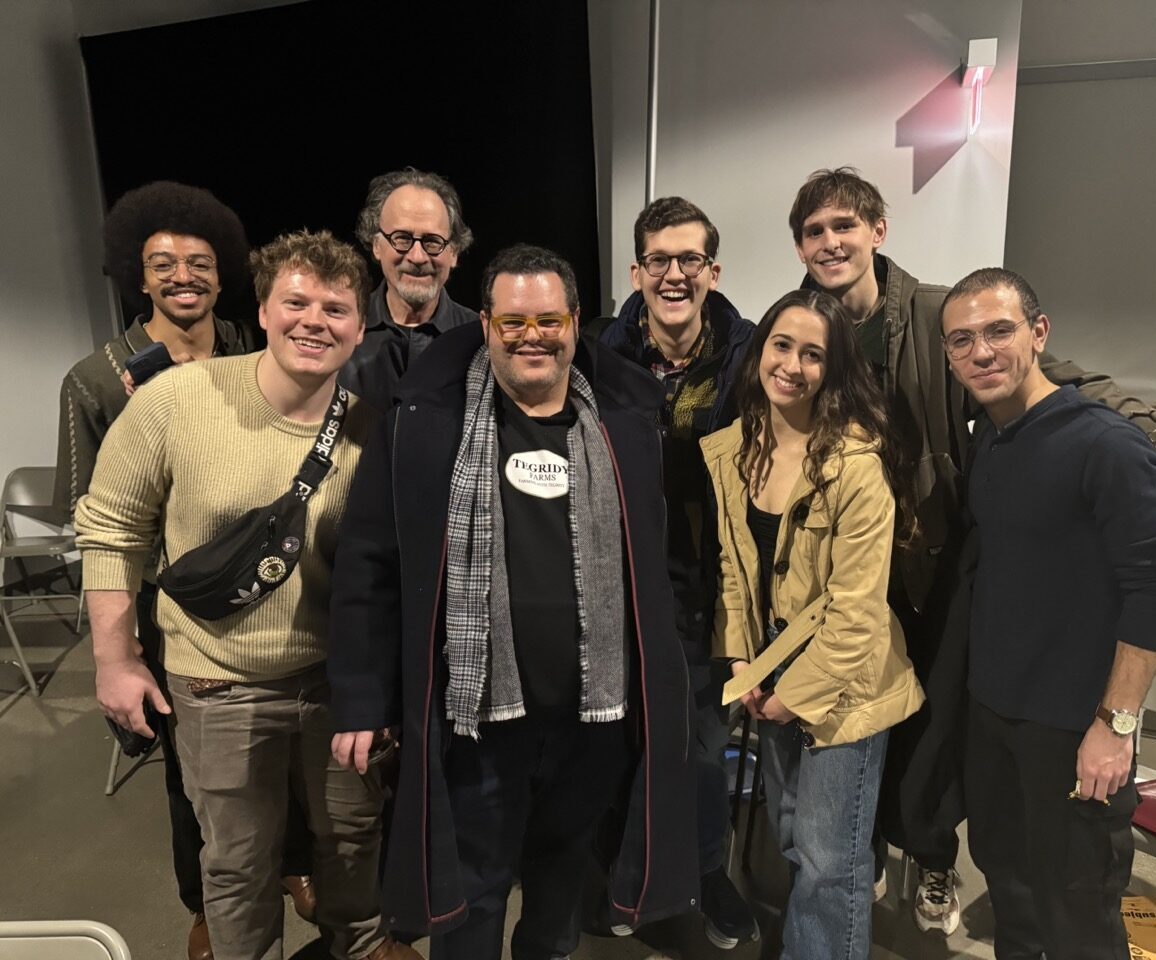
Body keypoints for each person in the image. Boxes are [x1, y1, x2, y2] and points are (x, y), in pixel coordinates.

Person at [789, 165, 1156, 934]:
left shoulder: (932, 312)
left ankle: (929, 860)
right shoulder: (804, 322)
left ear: (876, 232)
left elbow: (1064, 381)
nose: (831, 242)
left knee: (939, 735)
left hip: (936, 564)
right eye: (815, 231)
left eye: (844, 226)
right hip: (860, 569)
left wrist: (1131, 434)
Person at [327, 244, 697, 960]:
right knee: (474, 892)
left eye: (550, 319)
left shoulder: (626, 425)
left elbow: (665, 559)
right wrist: (361, 697)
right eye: (514, 320)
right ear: (487, 323)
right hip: (478, 727)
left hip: (592, 720)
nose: (533, 335)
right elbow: (368, 564)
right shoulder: (423, 424)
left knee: (561, 886)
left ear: (576, 322)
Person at [75, 229, 417, 960]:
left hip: (335, 687)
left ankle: (360, 948)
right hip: (215, 684)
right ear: (262, 310)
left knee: (353, 844)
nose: (313, 321)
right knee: (237, 861)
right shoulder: (176, 400)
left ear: (361, 325)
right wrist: (115, 658)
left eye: (335, 308)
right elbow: (109, 525)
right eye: (295, 301)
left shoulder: (371, 423)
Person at [54, 180, 316, 960]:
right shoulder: (99, 378)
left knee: (295, 731)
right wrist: (118, 646)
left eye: (199, 263)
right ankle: (204, 899)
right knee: (190, 764)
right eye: (164, 264)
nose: (183, 278)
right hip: (161, 603)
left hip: (270, 583)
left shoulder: (259, 345)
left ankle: (296, 863)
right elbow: (89, 514)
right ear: (138, 276)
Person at [702, 288, 923, 960]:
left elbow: (856, 612)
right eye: (782, 345)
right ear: (759, 349)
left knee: (833, 859)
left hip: (846, 680)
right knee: (794, 833)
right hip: (768, 666)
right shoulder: (731, 449)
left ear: (836, 369)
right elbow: (732, 569)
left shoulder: (858, 466)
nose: (793, 365)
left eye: (813, 354)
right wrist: (743, 661)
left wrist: (791, 693)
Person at [941, 268, 1156, 960]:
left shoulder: (1105, 445)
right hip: (996, 720)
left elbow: (1150, 591)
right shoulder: (989, 441)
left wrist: (1115, 727)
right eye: (962, 340)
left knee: (1080, 920)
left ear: (1039, 333)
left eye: (999, 331)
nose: (982, 352)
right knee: (1013, 897)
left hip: (1076, 731)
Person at [585, 196, 757, 949]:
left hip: (710, 587)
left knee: (696, 746)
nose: (675, 274)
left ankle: (708, 874)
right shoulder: (598, 353)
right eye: (660, 260)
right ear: (637, 270)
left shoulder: (753, 354)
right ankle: (628, 882)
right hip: (613, 580)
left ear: (713, 270)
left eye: (690, 259)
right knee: (617, 743)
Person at [342, 168, 477, 412]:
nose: (417, 257)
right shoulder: (340, 329)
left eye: (432, 241)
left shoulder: (480, 339)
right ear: (376, 246)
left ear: (454, 253)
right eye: (402, 238)